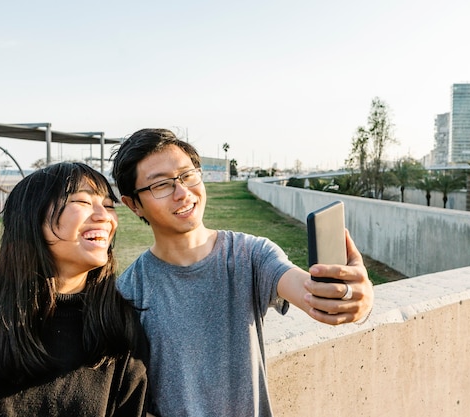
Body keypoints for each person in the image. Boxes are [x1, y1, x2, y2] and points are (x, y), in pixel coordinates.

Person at [111, 128, 374, 417]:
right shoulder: (129, 291)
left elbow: (308, 292)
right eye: (161, 185)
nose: (183, 193)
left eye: (188, 175)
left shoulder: (250, 254)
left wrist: (355, 296)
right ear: (133, 204)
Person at [0, 162, 149, 417]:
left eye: (109, 206)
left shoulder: (120, 323)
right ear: (32, 216)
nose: (104, 216)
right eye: (82, 201)